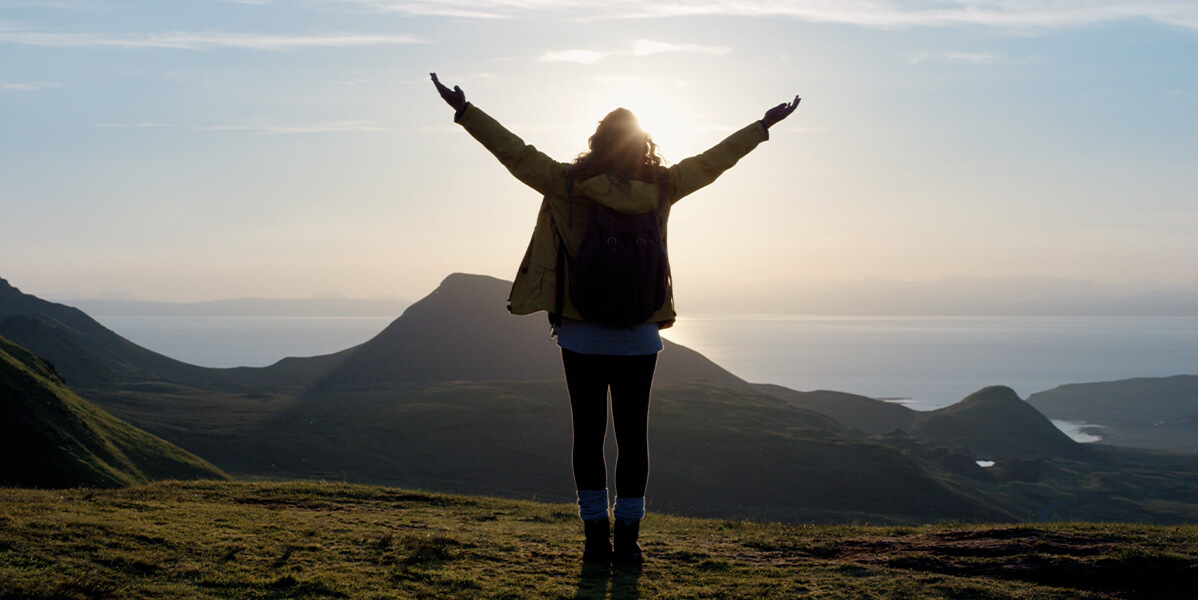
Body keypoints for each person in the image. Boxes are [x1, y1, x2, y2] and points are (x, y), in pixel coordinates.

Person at [431, 73, 799, 564]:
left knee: (587, 435)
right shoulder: (664, 186)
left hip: (581, 332)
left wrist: (465, 109)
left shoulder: (566, 184)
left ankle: (594, 540)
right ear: (643, 145)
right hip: (639, 334)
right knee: (633, 436)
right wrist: (761, 125)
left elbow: (513, 152)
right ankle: (628, 539)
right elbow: (714, 162)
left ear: (596, 142)